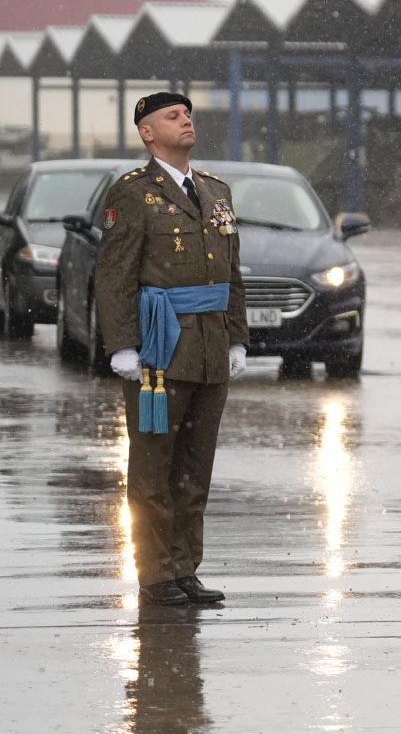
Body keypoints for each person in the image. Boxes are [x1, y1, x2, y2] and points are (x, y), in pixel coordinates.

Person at [99, 92, 247, 606]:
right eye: (171, 116)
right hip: (160, 349)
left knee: (194, 468)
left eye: (187, 114)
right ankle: (156, 574)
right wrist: (121, 346)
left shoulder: (216, 190)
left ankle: (185, 568)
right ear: (147, 133)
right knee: (153, 468)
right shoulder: (134, 194)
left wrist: (237, 337)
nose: (185, 121)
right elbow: (113, 277)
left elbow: (231, 274)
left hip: (209, 347)